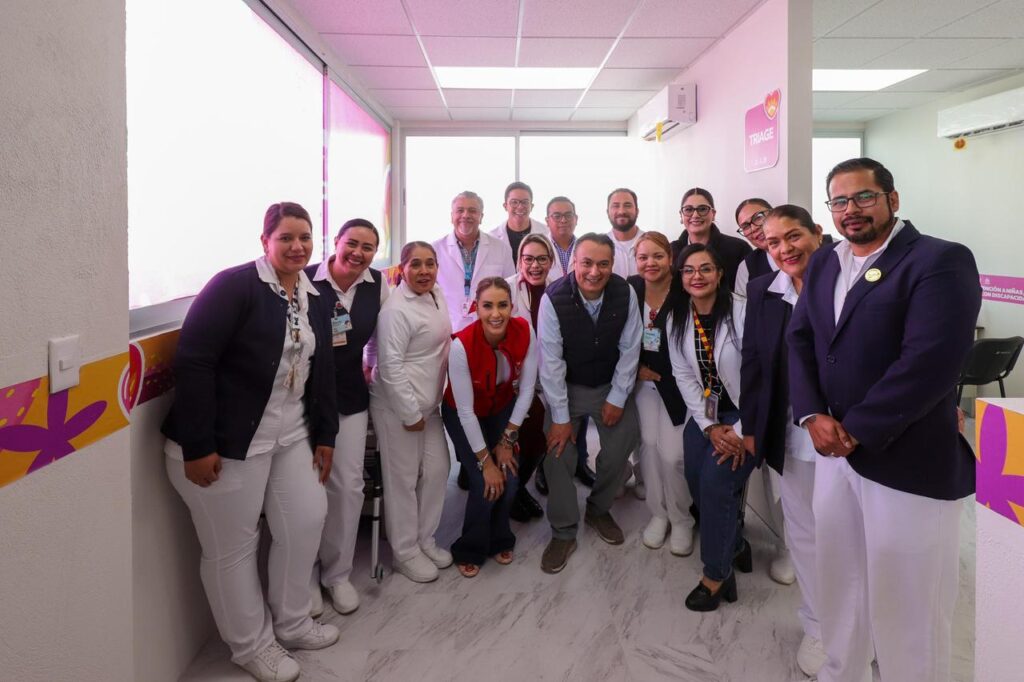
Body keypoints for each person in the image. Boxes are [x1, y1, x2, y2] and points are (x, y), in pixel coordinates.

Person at [788, 157, 981, 682]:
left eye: (864, 197)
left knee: (910, 601)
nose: (851, 209)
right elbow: (802, 340)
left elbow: (931, 363)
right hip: (833, 454)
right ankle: (841, 671)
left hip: (906, 459)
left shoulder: (939, 260)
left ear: (892, 199)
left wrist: (855, 430)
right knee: (841, 579)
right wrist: (811, 415)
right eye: (840, 201)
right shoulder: (825, 262)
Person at [162, 202, 339, 682]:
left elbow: (321, 370)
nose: (297, 246)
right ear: (265, 241)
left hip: (291, 435)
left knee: (307, 519)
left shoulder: (313, 294)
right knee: (233, 550)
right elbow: (194, 361)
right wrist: (199, 445)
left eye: (305, 237)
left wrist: (326, 434)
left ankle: (293, 623)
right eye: (286, 237)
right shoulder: (234, 286)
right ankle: (251, 648)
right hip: (226, 444)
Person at [739, 205, 826, 676]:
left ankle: (860, 622)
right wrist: (752, 427)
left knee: (849, 532)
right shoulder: (762, 290)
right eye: (773, 242)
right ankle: (818, 625)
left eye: (793, 236)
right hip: (790, 430)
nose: (784, 249)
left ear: (817, 234)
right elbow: (753, 360)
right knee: (804, 531)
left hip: (845, 431)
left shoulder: (844, 281)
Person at [537, 233, 642, 574]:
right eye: (587, 263)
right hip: (566, 387)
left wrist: (618, 396)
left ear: (613, 265)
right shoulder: (553, 298)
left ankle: (598, 509)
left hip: (610, 384)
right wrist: (560, 417)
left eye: (603, 264)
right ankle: (564, 530)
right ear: (574, 263)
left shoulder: (625, 292)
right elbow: (551, 361)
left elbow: (631, 347)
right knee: (558, 454)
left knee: (621, 442)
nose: (594, 272)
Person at [306, 218, 389, 618]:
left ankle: (336, 574)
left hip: (351, 396)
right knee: (306, 490)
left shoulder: (378, 284)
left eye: (367, 247)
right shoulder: (305, 279)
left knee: (349, 485)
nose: (358, 253)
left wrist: (370, 364)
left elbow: (378, 336)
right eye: (351, 243)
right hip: (304, 398)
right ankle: (304, 574)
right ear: (336, 241)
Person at [667, 243, 752, 612]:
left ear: (719, 274)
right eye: (688, 270)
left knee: (717, 484)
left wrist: (741, 430)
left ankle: (716, 575)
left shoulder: (743, 312)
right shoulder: (677, 317)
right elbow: (684, 375)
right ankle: (735, 544)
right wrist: (708, 425)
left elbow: (762, 375)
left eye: (705, 268)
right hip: (708, 412)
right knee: (695, 479)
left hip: (747, 414)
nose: (696, 276)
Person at [442, 277, 539, 577]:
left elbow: (527, 390)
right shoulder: (461, 345)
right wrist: (486, 462)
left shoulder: (525, 331)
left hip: (502, 407)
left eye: (502, 305)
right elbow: (466, 412)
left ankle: (500, 537)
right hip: (463, 413)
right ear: (477, 308)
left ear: (512, 306)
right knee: (485, 480)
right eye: (487, 306)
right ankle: (470, 547)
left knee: (509, 475)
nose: (496, 314)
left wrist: (507, 441)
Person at [369, 241, 454, 583]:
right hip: (397, 408)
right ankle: (404, 552)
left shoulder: (436, 294)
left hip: (429, 406)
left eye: (430, 263)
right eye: (415, 264)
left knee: (437, 470)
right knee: (402, 481)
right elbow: (389, 366)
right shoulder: (395, 310)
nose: (423, 271)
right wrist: (409, 413)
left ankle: (424, 539)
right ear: (402, 269)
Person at [628, 232, 694, 556]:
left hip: (678, 386)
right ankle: (659, 513)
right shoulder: (630, 288)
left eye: (657, 256)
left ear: (670, 257)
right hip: (643, 384)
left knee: (672, 456)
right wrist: (635, 368)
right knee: (649, 448)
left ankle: (682, 519)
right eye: (643, 257)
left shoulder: (685, 288)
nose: (650, 263)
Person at [506, 233, 556, 521]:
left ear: (551, 261)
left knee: (543, 437)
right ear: (519, 261)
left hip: (548, 376)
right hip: (514, 378)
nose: (535, 265)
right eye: (528, 259)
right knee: (528, 434)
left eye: (541, 259)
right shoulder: (507, 289)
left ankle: (518, 488)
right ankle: (512, 493)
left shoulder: (559, 289)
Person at [433, 190, 515, 333]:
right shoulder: (435, 250)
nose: (466, 215)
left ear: (481, 217)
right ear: (452, 216)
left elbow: (511, 290)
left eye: (472, 211)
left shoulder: (501, 248)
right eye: (460, 210)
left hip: (490, 329)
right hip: (449, 329)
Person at [669, 188, 752, 293]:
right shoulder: (671, 251)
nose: (695, 215)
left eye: (703, 209)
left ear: (713, 214)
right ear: (681, 215)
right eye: (688, 210)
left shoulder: (738, 249)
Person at [489, 181, 550, 267]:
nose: (520, 207)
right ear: (505, 206)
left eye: (525, 202)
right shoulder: (492, 237)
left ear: (531, 206)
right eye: (514, 202)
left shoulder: (547, 234)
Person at [732, 198, 777, 298]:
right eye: (745, 226)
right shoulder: (747, 267)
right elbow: (743, 305)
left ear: (774, 214)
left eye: (758, 217)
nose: (754, 228)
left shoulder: (803, 249)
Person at [606, 187, 645, 279]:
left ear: (637, 211)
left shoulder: (652, 243)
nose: (621, 211)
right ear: (607, 212)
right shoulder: (600, 246)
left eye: (627, 205)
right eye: (616, 206)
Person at [545, 196, 578, 281]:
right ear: (547, 221)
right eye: (557, 216)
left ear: (576, 219)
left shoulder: (585, 248)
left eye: (568, 215)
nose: (563, 220)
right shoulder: (538, 248)